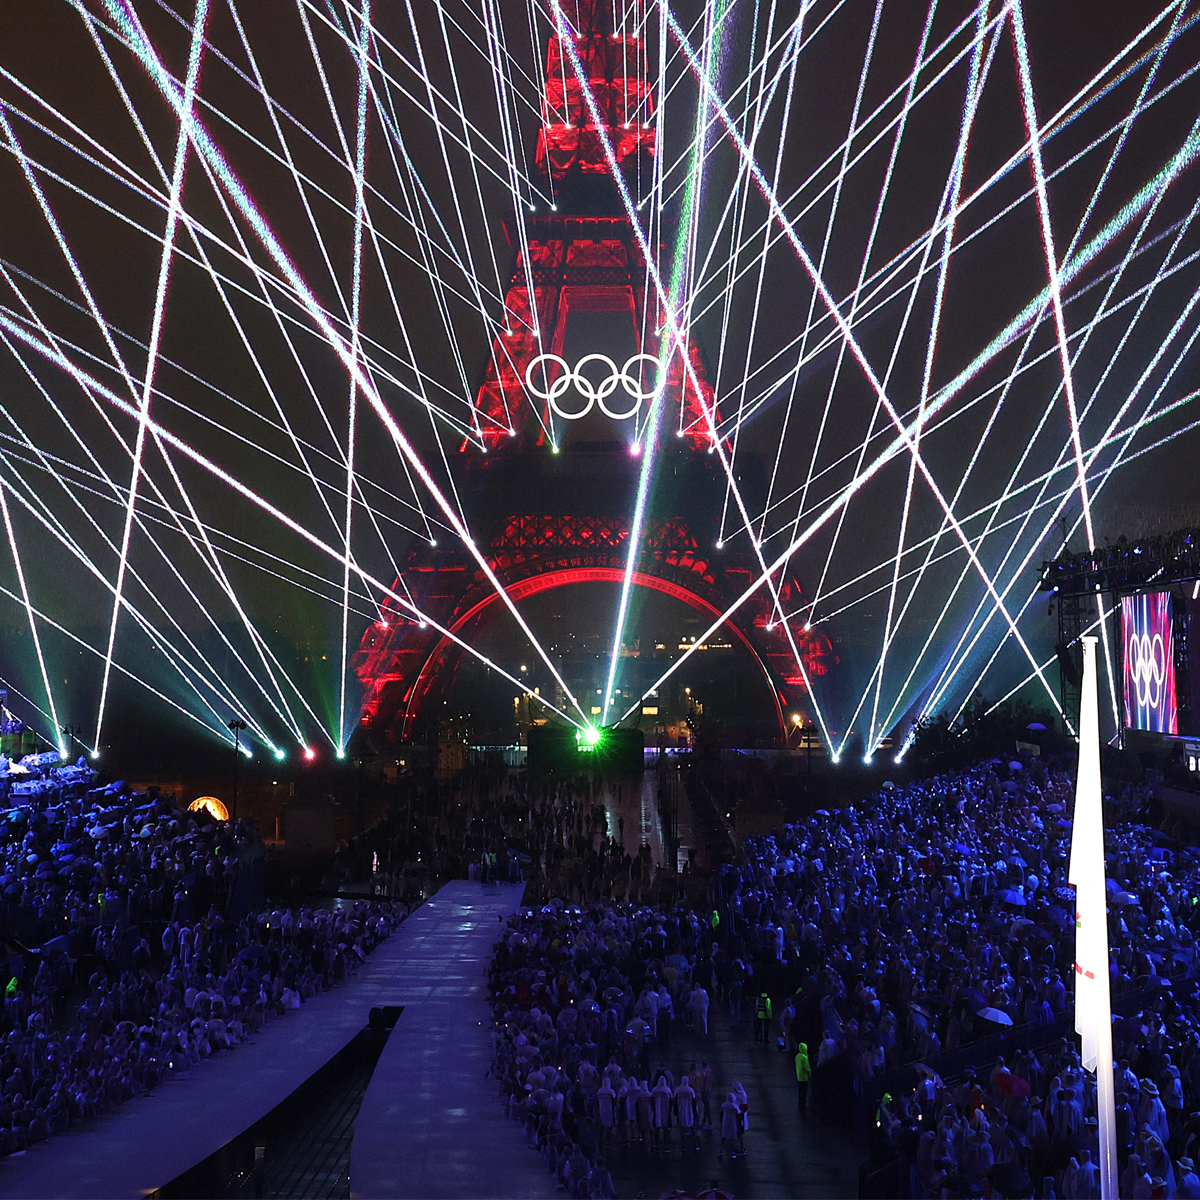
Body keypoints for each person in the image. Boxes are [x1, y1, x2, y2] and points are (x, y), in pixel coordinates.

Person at [794, 1042, 811, 1113]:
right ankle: (803, 1105)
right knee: (804, 1092)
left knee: (800, 1091)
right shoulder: (804, 1057)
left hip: (799, 1076)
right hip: (804, 1077)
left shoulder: (797, 1056)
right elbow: (806, 1068)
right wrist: (809, 1074)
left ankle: (800, 1104)